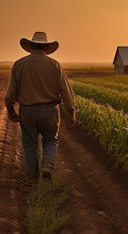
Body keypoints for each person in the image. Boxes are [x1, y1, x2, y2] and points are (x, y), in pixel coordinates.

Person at [5, 31, 76, 183]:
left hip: (27, 111)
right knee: (50, 141)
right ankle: (47, 168)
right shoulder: (55, 65)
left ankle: (32, 179)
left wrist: (11, 111)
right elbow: (65, 91)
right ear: (46, 47)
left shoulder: (19, 64)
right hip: (50, 111)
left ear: (31, 46)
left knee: (30, 145)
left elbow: (9, 94)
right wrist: (71, 111)